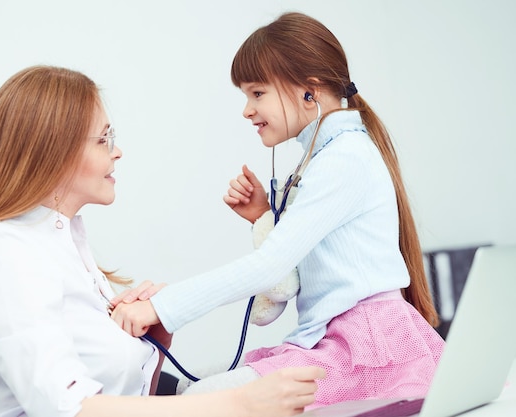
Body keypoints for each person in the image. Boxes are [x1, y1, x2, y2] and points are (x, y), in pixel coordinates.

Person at [0, 65, 326, 417]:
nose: (117, 151)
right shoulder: (2, 255)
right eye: (104, 139)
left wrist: (156, 339)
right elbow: (67, 410)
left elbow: (132, 400)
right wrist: (238, 405)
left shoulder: (67, 247)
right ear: (52, 153)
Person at [110, 11, 445, 409]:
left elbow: (269, 268)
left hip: (369, 349)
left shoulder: (344, 159)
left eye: (257, 93)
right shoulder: (325, 159)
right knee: (194, 393)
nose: (247, 110)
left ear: (310, 90)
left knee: (201, 400)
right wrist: (263, 217)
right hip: (340, 340)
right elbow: (286, 284)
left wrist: (161, 308)